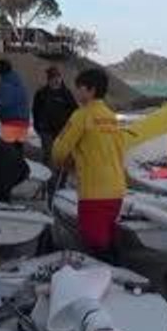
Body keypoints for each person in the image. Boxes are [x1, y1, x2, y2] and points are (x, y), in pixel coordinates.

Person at [52, 69, 126, 259]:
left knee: (96, 246)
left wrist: (66, 164)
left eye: (80, 88)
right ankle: (117, 275)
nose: (76, 92)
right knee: (108, 241)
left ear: (90, 90)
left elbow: (58, 151)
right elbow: (119, 151)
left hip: (94, 192)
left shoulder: (82, 115)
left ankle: (108, 278)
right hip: (117, 190)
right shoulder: (112, 117)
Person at [32, 66, 78, 163]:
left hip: (63, 131)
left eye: (58, 77)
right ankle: (48, 175)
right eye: (53, 78)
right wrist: (37, 127)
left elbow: (75, 111)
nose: (56, 80)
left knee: (62, 156)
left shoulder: (66, 93)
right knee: (49, 155)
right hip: (46, 131)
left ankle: (61, 177)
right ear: (49, 79)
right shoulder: (41, 93)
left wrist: (71, 128)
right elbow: (35, 111)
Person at [0, 59, 31, 151]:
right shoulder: (19, 81)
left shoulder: (5, 83)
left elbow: (4, 102)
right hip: (24, 121)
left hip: (10, 121)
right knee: (19, 150)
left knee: (9, 152)